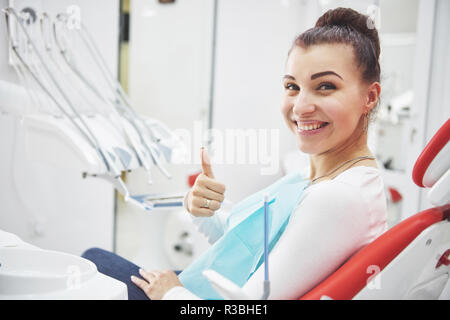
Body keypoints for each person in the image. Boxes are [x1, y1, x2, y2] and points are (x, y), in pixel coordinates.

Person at [82, 7, 387, 300]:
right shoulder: (323, 178)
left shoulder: (337, 198)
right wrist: (203, 209)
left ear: (369, 97)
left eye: (325, 86)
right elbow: (250, 248)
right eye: (292, 86)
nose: (300, 107)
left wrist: (170, 292)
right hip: (201, 287)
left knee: (91, 265)